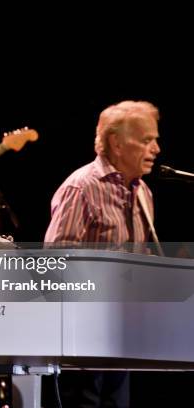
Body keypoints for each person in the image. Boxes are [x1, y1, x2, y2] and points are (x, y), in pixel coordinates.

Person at [44, 100, 161, 407]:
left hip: (123, 330)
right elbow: (55, 262)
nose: (156, 149)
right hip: (83, 333)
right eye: (147, 140)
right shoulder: (81, 188)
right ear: (116, 143)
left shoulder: (143, 193)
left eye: (155, 140)